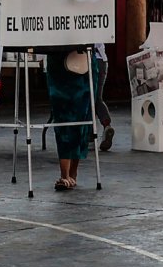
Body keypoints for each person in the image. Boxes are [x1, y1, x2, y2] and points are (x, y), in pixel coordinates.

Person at [46, 50, 100, 190]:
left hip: (82, 59)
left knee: (81, 118)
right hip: (66, 60)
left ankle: (70, 174)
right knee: (66, 119)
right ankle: (66, 175)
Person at [93, 43, 115, 151]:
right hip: (102, 60)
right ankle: (107, 125)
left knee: (87, 98)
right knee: (97, 98)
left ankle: (89, 137)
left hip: (87, 59)